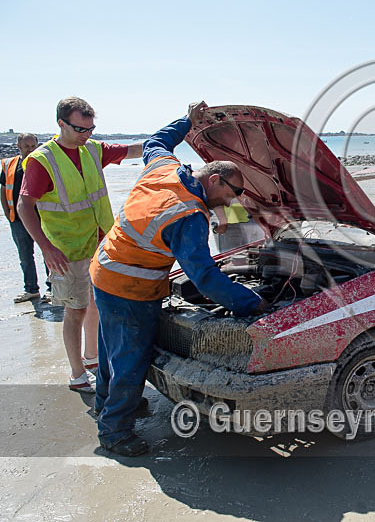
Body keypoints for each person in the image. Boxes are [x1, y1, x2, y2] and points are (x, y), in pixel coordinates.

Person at [89, 101, 270, 457]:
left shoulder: (165, 168)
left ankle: (105, 405)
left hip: (104, 270)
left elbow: (157, 140)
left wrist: (186, 121)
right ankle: (114, 432)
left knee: (110, 346)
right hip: (131, 287)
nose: (234, 200)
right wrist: (252, 302)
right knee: (131, 356)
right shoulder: (190, 216)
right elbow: (204, 278)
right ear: (215, 180)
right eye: (234, 193)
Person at [18, 97, 143, 394]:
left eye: (90, 128)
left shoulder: (92, 149)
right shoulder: (42, 160)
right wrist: (46, 248)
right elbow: (25, 206)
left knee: (96, 304)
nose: (86, 134)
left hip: (100, 243)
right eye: (79, 129)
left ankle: (92, 359)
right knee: (74, 311)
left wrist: (177, 134)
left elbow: (135, 149)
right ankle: (77, 375)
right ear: (61, 123)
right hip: (66, 250)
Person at [2, 133, 49, 302]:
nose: (30, 150)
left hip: (43, 217)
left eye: (33, 146)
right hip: (18, 219)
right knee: (25, 255)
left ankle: (52, 289)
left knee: (48, 252)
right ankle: (31, 289)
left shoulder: (43, 162)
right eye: (26, 146)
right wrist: (7, 212)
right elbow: (3, 188)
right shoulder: (9, 164)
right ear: (18, 146)